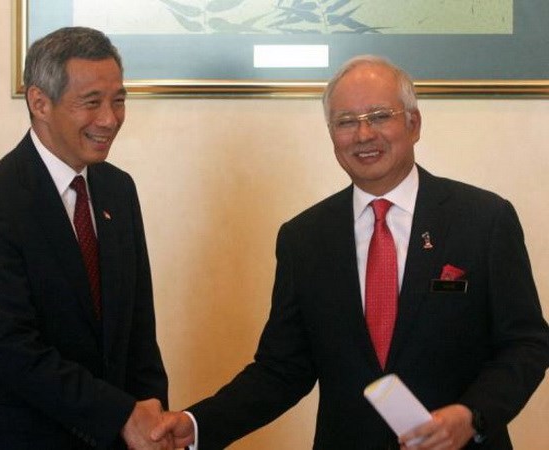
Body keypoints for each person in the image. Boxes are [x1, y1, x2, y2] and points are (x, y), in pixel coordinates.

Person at [151, 55, 549, 449]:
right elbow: (282, 369)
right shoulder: (304, 238)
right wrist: (198, 424)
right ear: (331, 134)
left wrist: (472, 416)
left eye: (380, 116)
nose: (363, 134)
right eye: (346, 122)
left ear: (413, 124)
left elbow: (527, 344)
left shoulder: (483, 220)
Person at [0, 27, 170, 449]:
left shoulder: (118, 189)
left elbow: (139, 329)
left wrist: (154, 418)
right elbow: (14, 348)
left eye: (118, 100)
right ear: (40, 102)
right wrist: (122, 416)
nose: (109, 119)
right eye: (91, 102)